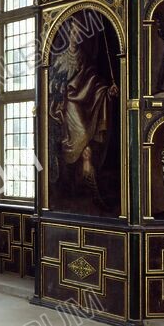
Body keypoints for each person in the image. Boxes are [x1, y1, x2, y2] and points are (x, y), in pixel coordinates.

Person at [48, 19, 118, 197]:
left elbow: (92, 82)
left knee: (86, 138)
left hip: (81, 100)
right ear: (68, 35)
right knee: (84, 135)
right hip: (67, 102)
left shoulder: (83, 57)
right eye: (73, 32)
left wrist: (107, 91)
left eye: (79, 33)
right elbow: (51, 82)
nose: (76, 36)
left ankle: (85, 169)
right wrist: (59, 86)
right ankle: (81, 169)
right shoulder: (61, 58)